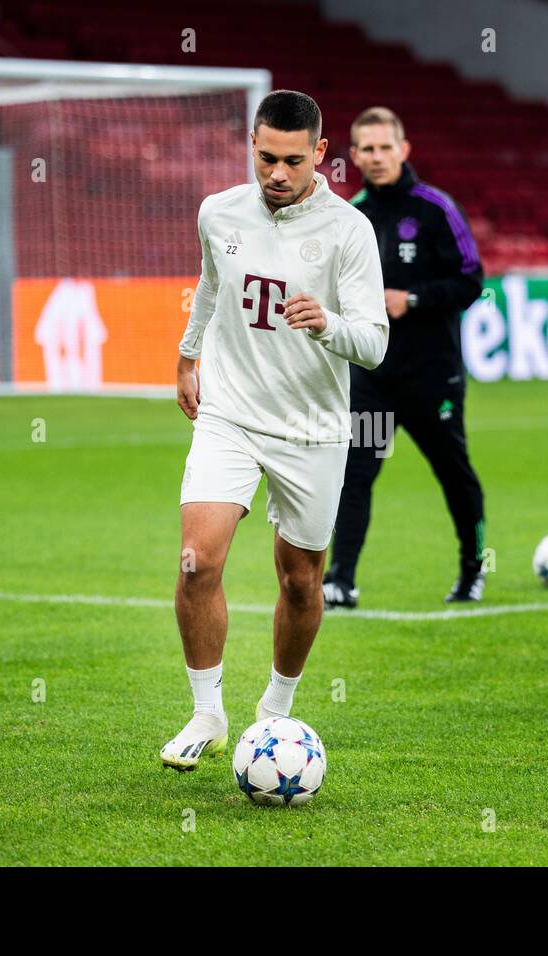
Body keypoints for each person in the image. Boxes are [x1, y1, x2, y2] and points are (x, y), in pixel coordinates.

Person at [159, 90, 388, 769]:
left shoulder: (349, 232)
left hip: (311, 428)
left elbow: (373, 343)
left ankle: (275, 713)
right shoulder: (218, 211)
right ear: (251, 147)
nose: (277, 174)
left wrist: (330, 324)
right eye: (265, 158)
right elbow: (209, 284)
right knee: (198, 560)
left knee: (299, 580)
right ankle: (206, 712)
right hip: (229, 413)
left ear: (320, 153)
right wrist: (187, 354)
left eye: (293, 160)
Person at [322, 107, 487, 609]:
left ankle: (471, 571)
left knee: (452, 471)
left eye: (384, 147)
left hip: (431, 378)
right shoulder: (354, 215)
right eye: (366, 149)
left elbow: (471, 280)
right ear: (354, 155)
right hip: (374, 376)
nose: (375, 157)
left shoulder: (435, 209)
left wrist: (410, 300)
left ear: (403, 150)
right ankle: (341, 579)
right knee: (356, 471)